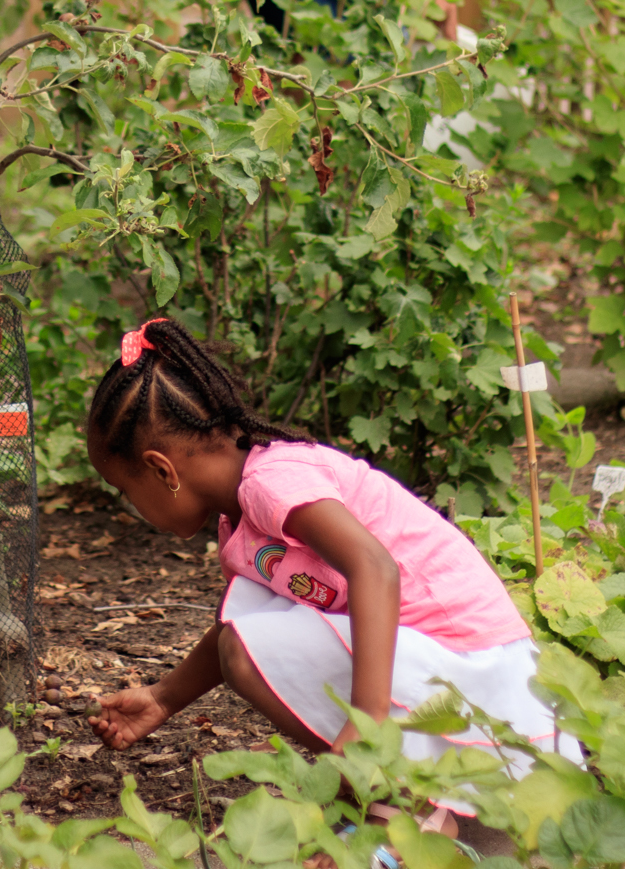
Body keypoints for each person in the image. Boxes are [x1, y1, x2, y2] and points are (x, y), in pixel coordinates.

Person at [84, 318, 579, 833]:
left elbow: (376, 568)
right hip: (433, 667)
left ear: (163, 471)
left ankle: (403, 804)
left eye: (126, 489)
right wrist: (163, 698)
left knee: (242, 647)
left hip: (474, 664)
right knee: (245, 620)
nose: (129, 505)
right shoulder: (245, 522)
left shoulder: (273, 483)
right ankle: (402, 785)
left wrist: (365, 725)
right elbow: (236, 631)